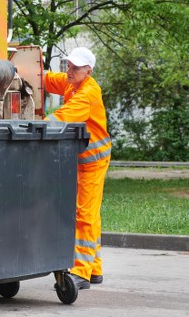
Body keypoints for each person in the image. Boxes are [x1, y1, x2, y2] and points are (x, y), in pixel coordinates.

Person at [43, 47, 111, 289]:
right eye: (68, 65)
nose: (69, 71)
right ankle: (94, 269)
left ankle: (81, 273)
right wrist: (25, 70)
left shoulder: (87, 94)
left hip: (93, 162)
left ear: (88, 71)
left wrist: (33, 126)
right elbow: (50, 79)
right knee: (90, 214)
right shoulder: (74, 83)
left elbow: (61, 117)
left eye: (75, 67)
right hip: (83, 160)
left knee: (84, 215)